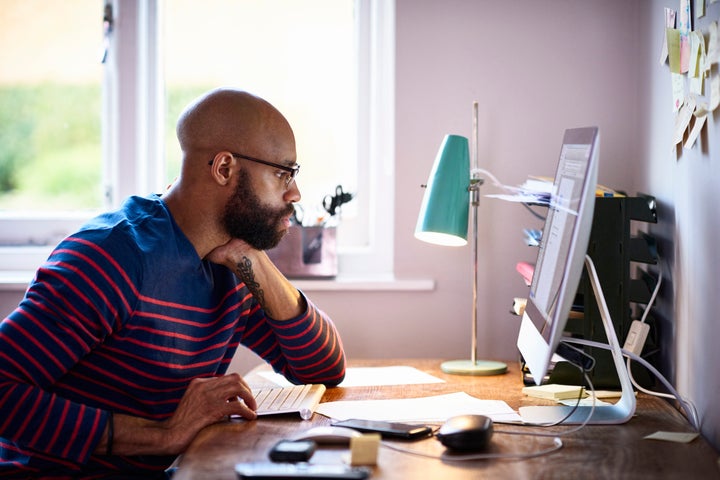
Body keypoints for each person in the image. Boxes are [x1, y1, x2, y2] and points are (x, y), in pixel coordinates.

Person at [0, 88, 346, 478]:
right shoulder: (112, 258)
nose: (295, 193)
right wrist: (163, 435)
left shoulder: (229, 260)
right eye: (283, 173)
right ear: (224, 169)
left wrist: (253, 261)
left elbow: (324, 369)